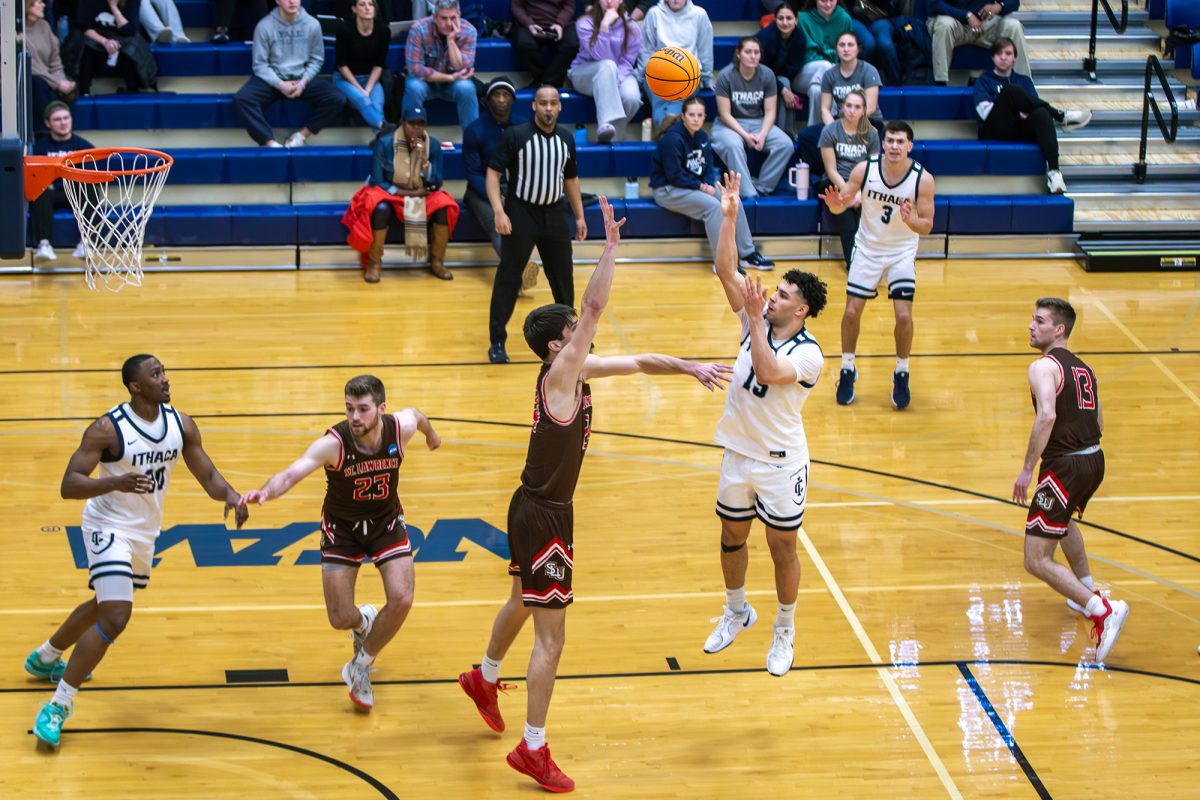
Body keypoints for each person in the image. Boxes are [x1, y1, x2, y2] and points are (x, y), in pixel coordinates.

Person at [457, 197, 732, 792]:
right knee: (552, 637)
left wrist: (688, 367)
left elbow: (635, 360)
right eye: (573, 335)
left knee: (523, 603)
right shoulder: (560, 375)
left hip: (534, 505)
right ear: (559, 346)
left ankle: (484, 677)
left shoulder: (575, 372)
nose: (582, 336)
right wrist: (609, 248)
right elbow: (595, 305)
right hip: (545, 513)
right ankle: (533, 748)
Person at [28, 355, 249, 748]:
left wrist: (231, 496)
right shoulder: (107, 429)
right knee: (116, 615)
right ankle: (58, 706)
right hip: (105, 526)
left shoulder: (180, 424)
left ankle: (46, 655)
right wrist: (115, 484)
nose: (165, 379)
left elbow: (208, 474)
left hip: (143, 532)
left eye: (164, 372)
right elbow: (69, 484)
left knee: (104, 603)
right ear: (135, 386)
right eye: (156, 375)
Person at [240, 375, 441, 711]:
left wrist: (431, 434)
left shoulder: (399, 428)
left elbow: (418, 416)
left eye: (363, 409)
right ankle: (363, 621)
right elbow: (293, 472)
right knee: (338, 618)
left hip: (386, 522)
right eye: (349, 409)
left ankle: (360, 666)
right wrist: (265, 492)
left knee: (403, 598)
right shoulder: (334, 443)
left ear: (381, 408)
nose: (355, 417)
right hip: (342, 528)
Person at [703, 171, 828, 678]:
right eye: (771, 292)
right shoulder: (753, 318)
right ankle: (737, 612)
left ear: (801, 309)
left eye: (781, 296)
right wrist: (730, 216)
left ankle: (785, 629)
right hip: (738, 453)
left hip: (780, 464)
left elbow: (771, 371)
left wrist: (755, 318)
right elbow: (723, 268)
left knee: (782, 548)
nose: (770, 297)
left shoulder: (811, 354)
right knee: (731, 538)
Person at [1012, 298, 1129, 664]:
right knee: (1062, 524)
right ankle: (1086, 589)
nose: (1032, 325)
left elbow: (1046, 416)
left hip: (1064, 466)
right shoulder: (1085, 367)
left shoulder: (1042, 367)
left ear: (1058, 329)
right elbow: (1101, 425)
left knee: (1035, 558)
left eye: (1040, 320)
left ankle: (1101, 610)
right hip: (1095, 460)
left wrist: (1028, 469)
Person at [823, 120, 935, 410]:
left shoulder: (923, 179)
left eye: (900, 142)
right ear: (882, 143)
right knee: (850, 312)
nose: (895, 146)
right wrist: (835, 203)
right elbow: (841, 205)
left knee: (904, 317)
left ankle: (902, 372)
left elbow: (927, 226)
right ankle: (847, 369)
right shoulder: (865, 169)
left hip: (901, 250)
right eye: (890, 141)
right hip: (868, 247)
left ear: (910, 145)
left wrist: (911, 221)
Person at [485, 86, 586, 365]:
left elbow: (571, 180)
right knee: (509, 277)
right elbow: (493, 174)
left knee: (563, 279)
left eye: (553, 103)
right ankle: (497, 341)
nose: (549, 108)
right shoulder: (516, 135)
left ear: (560, 107)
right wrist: (498, 211)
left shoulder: (566, 138)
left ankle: (574, 340)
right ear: (534, 106)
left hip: (554, 213)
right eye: (543, 103)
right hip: (521, 212)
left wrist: (579, 216)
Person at [650, 95, 773, 270]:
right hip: (668, 189)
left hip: (693, 186)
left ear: (705, 116)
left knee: (732, 199)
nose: (696, 119)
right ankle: (723, 263)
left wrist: (708, 184)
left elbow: (708, 168)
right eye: (691, 115)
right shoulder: (672, 140)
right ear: (683, 116)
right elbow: (674, 175)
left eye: (699, 115)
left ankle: (747, 254)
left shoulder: (702, 137)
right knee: (713, 207)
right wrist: (702, 187)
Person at [343, 105, 460, 282]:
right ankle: (374, 263)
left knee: (445, 205)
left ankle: (437, 261)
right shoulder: (384, 143)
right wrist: (405, 192)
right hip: (391, 192)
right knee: (378, 205)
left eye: (421, 124)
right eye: (412, 123)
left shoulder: (433, 145)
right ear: (402, 123)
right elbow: (377, 180)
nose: (416, 128)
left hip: (422, 192)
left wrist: (424, 162)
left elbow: (437, 182)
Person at [973, 38, 1092, 194]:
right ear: (992, 57)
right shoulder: (984, 81)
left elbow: (1034, 107)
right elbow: (985, 112)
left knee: (1042, 114)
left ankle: (1054, 174)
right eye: (999, 53)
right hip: (993, 129)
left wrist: (1020, 108)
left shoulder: (1024, 80)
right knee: (1010, 91)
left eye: (1008, 53)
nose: (1003, 57)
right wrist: (1013, 105)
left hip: (1018, 130)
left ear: (1014, 58)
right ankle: (1061, 116)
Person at [462, 76, 540, 294]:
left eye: (506, 95)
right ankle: (519, 270)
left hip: (515, 188)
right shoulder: (475, 130)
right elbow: (473, 174)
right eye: (496, 95)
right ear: (488, 100)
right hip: (480, 191)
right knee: (498, 222)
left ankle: (517, 273)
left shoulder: (525, 127)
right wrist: (496, 198)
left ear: (513, 100)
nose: (501, 100)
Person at [234, 0, 346, 147]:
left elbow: (317, 60)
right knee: (242, 99)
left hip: (302, 78)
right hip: (273, 79)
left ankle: (301, 135)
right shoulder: (264, 25)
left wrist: (303, 82)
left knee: (337, 98)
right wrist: (280, 84)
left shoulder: (312, 24)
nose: (292, 1)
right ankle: (269, 143)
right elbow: (260, 64)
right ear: (278, 1)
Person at [710, 37, 794, 198]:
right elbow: (724, 114)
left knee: (785, 144)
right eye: (748, 52)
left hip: (758, 122)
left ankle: (762, 187)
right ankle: (749, 194)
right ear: (739, 54)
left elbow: (770, 111)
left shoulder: (767, 74)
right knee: (733, 145)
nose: (753, 56)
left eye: (756, 52)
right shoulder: (726, 75)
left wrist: (762, 135)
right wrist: (745, 136)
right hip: (728, 124)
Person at [815, 89, 879, 266]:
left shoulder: (872, 133)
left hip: (862, 184)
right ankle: (854, 265)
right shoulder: (830, 131)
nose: (852, 110)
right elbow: (831, 170)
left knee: (864, 217)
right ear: (842, 107)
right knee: (848, 221)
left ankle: (871, 262)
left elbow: (873, 168)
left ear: (864, 110)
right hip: (836, 182)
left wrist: (858, 191)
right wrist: (848, 192)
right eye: (848, 105)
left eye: (857, 106)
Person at [567, 0, 643, 144]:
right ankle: (604, 123)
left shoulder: (632, 28)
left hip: (620, 74)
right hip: (584, 73)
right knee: (608, 65)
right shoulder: (585, 22)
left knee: (632, 97)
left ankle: (610, 139)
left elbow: (627, 63)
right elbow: (601, 56)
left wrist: (613, 82)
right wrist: (604, 26)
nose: (609, 1)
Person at [29, 102, 93, 263]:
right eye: (57, 119)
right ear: (47, 123)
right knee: (40, 190)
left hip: (76, 191)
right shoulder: (39, 147)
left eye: (66, 118)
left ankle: (86, 243)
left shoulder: (84, 146)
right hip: (51, 194)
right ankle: (44, 245)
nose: (63, 122)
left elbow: (93, 175)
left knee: (89, 186)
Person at [404, 0, 480, 132]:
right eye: (444, 18)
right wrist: (449, 78)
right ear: (434, 17)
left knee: (467, 88)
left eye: (453, 18)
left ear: (459, 16)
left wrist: (451, 40)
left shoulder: (469, 31)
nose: (449, 23)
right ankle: (409, 140)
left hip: (453, 85)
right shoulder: (419, 29)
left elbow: (461, 69)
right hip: (426, 83)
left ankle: (472, 142)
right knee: (413, 87)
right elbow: (416, 69)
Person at [638, 0, 714, 132]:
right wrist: (641, 77)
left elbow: (705, 50)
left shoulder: (699, 15)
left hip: (688, 73)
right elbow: (646, 50)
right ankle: (671, 130)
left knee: (676, 98)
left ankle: (665, 132)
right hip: (658, 71)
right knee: (659, 102)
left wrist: (707, 79)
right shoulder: (654, 13)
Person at [928, 0, 1029, 86]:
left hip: (985, 24)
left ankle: (1023, 87)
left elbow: (1014, 2)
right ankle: (940, 83)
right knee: (943, 25)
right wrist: (967, 15)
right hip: (955, 22)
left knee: (1014, 26)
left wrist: (999, 6)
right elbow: (935, 4)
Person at [76, 0, 158, 96]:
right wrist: (105, 41)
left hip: (122, 36)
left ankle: (134, 89)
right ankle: (84, 91)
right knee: (84, 46)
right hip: (97, 35)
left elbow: (129, 30)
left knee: (131, 47)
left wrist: (113, 7)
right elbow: (85, 28)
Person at [334, 0, 392, 135]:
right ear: (354, 9)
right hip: (345, 79)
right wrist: (361, 90)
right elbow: (341, 65)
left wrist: (369, 88)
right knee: (363, 99)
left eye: (370, 4)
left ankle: (382, 142)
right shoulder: (344, 29)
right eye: (362, 4)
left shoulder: (383, 30)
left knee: (377, 105)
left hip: (370, 78)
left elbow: (379, 64)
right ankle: (383, 127)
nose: (367, 8)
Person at [795, 0, 852, 125]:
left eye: (832, 0)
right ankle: (835, 115)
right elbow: (808, 55)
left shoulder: (845, 19)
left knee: (816, 90)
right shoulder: (803, 19)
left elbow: (848, 53)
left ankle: (815, 133)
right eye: (823, 0)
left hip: (830, 76)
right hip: (805, 73)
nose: (828, 4)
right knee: (825, 66)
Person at [24, 0, 77, 131]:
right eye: (39, 2)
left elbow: (55, 60)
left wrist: (62, 80)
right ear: (27, 5)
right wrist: (57, 83)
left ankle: (65, 134)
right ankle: (43, 134)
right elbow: (29, 66)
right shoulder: (14, 33)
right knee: (37, 84)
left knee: (71, 85)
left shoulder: (44, 26)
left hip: (49, 80)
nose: (44, 5)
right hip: (30, 82)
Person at [756, 2, 807, 135]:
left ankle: (784, 132)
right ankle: (784, 133)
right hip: (759, 76)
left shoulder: (800, 38)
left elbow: (794, 68)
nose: (785, 22)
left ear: (796, 20)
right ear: (775, 19)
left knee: (785, 82)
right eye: (780, 18)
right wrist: (782, 89)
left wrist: (781, 87)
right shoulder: (765, 37)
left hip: (781, 77)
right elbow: (761, 69)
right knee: (784, 85)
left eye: (789, 18)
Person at [510, 0, 580, 89]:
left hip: (560, 24)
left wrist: (560, 23)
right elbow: (517, 7)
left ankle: (544, 84)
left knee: (572, 44)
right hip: (529, 24)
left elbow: (569, 6)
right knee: (524, 43)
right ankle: (548, 82)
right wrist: (529, 23)